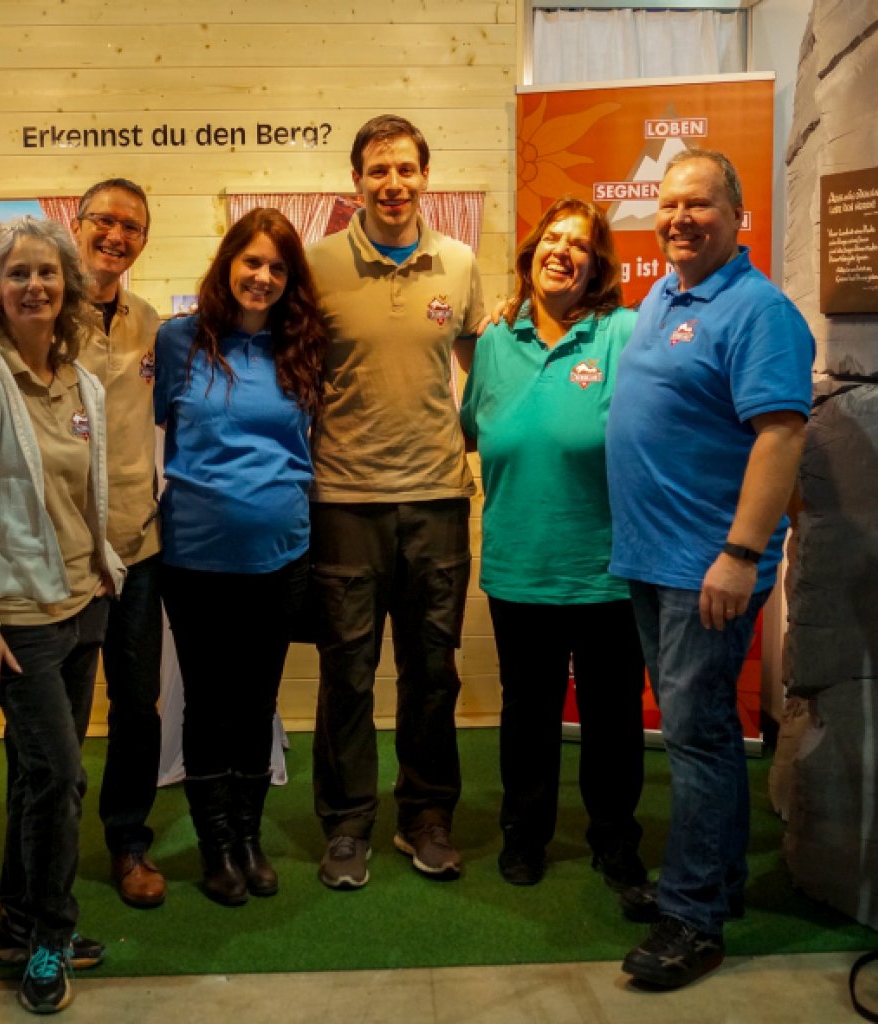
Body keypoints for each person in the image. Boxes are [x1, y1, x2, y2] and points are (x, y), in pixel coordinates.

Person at [0, 181, 168, 911]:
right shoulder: (22, 336)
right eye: (103, 220)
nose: (116, 235)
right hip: (38, 578)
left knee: (137, 708)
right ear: (78, 225)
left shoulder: (153, 326)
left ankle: (126, 844)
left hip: (127, 554)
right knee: (46, 757)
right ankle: (35, 904)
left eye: (132, 226)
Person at [607, 149, 813, 989]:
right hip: (654, 559)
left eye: (698, 204)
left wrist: (739, 554)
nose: (679, 218)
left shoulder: (760, 311)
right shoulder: (664, 294)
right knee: (704, 734)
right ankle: (713, 882)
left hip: (708, 567)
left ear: (737, 216)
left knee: (695, 738)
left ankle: (692, 920)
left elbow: (781, 435)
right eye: (668, 204)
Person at [0, 216, 126, 1014]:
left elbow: (86, 494)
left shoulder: (81, 384)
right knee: (62, 779)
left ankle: (16, 921)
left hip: (82, 605)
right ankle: (49, 937)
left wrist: (103, 568)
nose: (35, 286)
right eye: (17, 274)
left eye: (48, 272)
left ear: (69, 287)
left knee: (35, 776)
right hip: (19, 623)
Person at [305, 114, 486, 888]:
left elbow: (480, 363)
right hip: (345, 502)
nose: (393, 184)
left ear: (425, 177)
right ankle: (347, 826)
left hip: (439, 501)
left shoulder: (460, 262)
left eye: (406, 169)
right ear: (356, 181)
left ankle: (426, 818)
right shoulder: (316, 264)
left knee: (433, 672)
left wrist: (471, 439)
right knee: (348, 674)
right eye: (378, 170)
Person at [459, 197, 646, 890]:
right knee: (527, 714)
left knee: (612, 717)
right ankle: (524, 833)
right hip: (520, 564)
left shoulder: (624, 332)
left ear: (598, 266)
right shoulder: (495, 341)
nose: (562, 251)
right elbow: (473, 428)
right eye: (552, 239)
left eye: (580, 244)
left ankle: (614, 838)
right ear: (530, 252)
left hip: (607, 567)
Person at [153, 208, 327, 905]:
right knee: (207, 704)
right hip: (195, 558)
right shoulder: (178, 340)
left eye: (278, 267)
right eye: (252, 261)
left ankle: (250, 839)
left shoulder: (302, 345)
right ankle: (216, 846)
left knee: (257, 703)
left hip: (281, 556)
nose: (263, 276)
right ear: (228, 262)